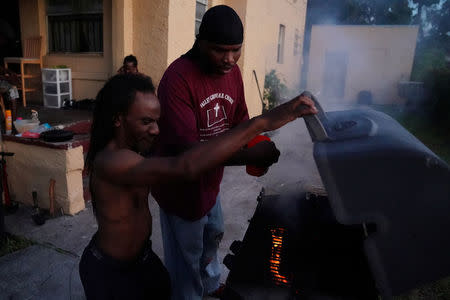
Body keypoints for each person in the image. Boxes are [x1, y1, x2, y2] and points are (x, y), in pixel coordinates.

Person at [78, 73, 317, 299]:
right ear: (118, 119)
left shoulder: (136, 145)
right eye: (146, 121)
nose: (156, 130)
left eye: (157, 121)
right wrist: (260, 123)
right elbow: (185, 167)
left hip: (143, 258)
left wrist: (248, 153)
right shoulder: (111, 161)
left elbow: (196, 154)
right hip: (110, 272)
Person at [151, 5, 312, 299]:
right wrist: (249, 156)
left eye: (235, 50)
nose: (229, 59)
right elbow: (191, 158)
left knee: (213, 234)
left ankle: (211, 285)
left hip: (210, 183)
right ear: (200, 42)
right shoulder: (177, 79)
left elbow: (239, 124)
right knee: (186, 258)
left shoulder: (232, 73)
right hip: (179, 190)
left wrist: (259, 142)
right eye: (219, 50)